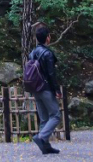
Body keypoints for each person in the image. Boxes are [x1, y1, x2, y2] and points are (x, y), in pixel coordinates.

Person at [29, 25, 61, 155]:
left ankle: (45, 146)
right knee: (55, 115)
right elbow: (51, 73)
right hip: (46, 87)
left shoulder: (32, 52)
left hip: (35, 87)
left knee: (44, 118)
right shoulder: (47, 53)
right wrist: (57, 89)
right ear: (47, 38)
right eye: (49, 35)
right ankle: (42, 137)